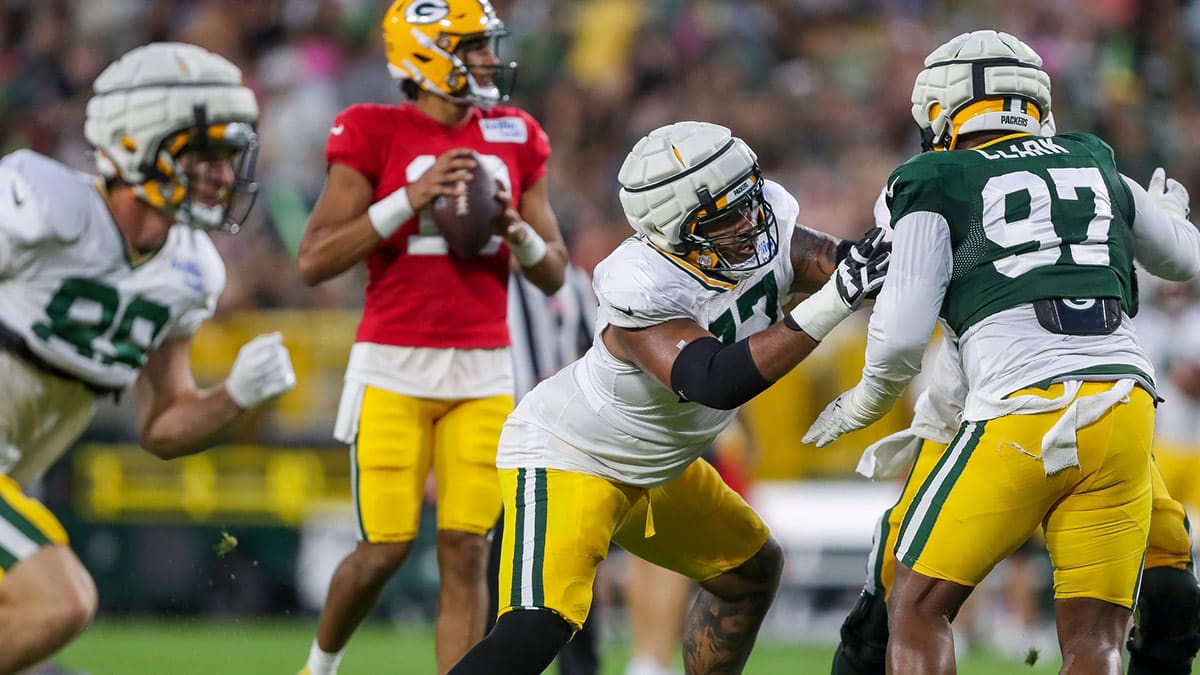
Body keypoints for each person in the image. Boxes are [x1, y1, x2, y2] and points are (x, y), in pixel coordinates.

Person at [803, 29, 1200, 674]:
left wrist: (868, 399)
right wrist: (1162, 214)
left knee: (915, 605)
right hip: (1124, 404)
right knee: (1096, 640)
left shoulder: (928, 178)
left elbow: (901, 333)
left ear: (938, 110)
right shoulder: (1094, 160)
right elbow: (1184, 257)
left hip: (1015, 409)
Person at [447, 120, 892, 675]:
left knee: (750, 571)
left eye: (750, 198)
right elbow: (714, 378)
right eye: (728, 213)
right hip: (575, 456)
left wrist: (891, 259)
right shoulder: (641, 280)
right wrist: (838, 299)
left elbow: (838, 266)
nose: (752, 219)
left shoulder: (764, 222)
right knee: (539, 625)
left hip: (659, 464)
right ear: (676, 229)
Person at [0, 42, 296, 674]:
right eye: (206, 156)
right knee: (59, 603)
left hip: (16, 480)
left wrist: (235, 395)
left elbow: (163, 424)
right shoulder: (40, 202)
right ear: (138, 144)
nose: (223, 175)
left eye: (228, 157)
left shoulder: (189, 270)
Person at [294, 0, 568, 672]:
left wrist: (515, 231)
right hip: (392, 363)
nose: (486, 59)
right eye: (471, 46)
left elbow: (555, 272)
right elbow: (315, 258)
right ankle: (318, 666)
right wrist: (407, 200)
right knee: (383, 547)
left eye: (485, 46)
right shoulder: (371, 130)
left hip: (484, 367)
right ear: (424, 55)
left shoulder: (514, 132)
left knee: (469, 548)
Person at [832, 340, 1200, 675]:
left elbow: (901, 332)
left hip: (999, 414)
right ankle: (1005, 630)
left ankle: (1009, 628)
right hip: (1113, 404)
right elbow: (1171, 266)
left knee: (907, 601)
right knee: (1106, 630)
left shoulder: (954, 280)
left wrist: (861, 398)